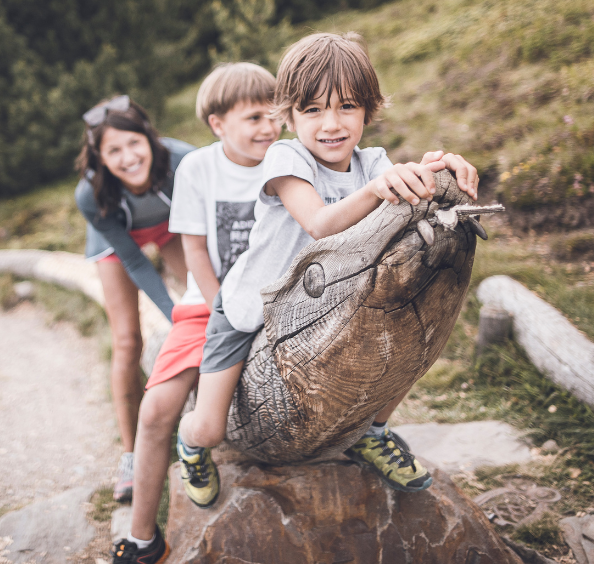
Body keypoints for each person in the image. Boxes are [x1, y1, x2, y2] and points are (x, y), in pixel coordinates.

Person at [175, 32, 480, 508]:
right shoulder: (286, 158)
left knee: (404, 350)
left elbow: (398, 190)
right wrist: (381, 188)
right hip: (248, 308)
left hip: (323, 308)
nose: (331, 124)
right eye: (313, 110)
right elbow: (319, 223)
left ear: (369, 111)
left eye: (347, 107)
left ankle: (372, 433)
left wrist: (433, 171)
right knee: (212, 426)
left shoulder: (372, 163)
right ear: (290, 117)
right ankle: (189, 445)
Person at [111, 64, 280, 564]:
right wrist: (227, 311)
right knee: (157, 409)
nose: (269, 128)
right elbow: (197, 254)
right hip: (209, 303)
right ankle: (144, 537)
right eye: (254, 117)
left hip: (282, 303)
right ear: (217, 124)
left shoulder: (292, 161)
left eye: (275, 115)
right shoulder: (198, 169)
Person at [75, 95, 194, 503]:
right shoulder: (91, 194)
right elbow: (136, 263)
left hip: (171, 225)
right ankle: (131, 453)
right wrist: (175, 315)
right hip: (117, 242)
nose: (127, 157)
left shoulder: (182, 160)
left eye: (133, 143)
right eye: (113, 150)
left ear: (149, 138)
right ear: (100, 158)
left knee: (210, 302)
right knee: (128, 341)